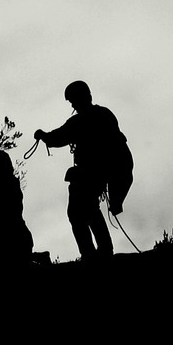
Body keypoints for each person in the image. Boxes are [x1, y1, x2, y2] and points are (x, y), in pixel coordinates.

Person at [34, 81, 132, 262]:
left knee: (77, 213)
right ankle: (103, 251)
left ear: (81, 97)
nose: (72, 104)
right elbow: (120, 148)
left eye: (73, 100)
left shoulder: (82, 120)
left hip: (88, 174)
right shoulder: (104, 114)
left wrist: (43, 135)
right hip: (101, 175)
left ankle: (92, 253)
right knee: (90, 210)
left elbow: (58, 136)